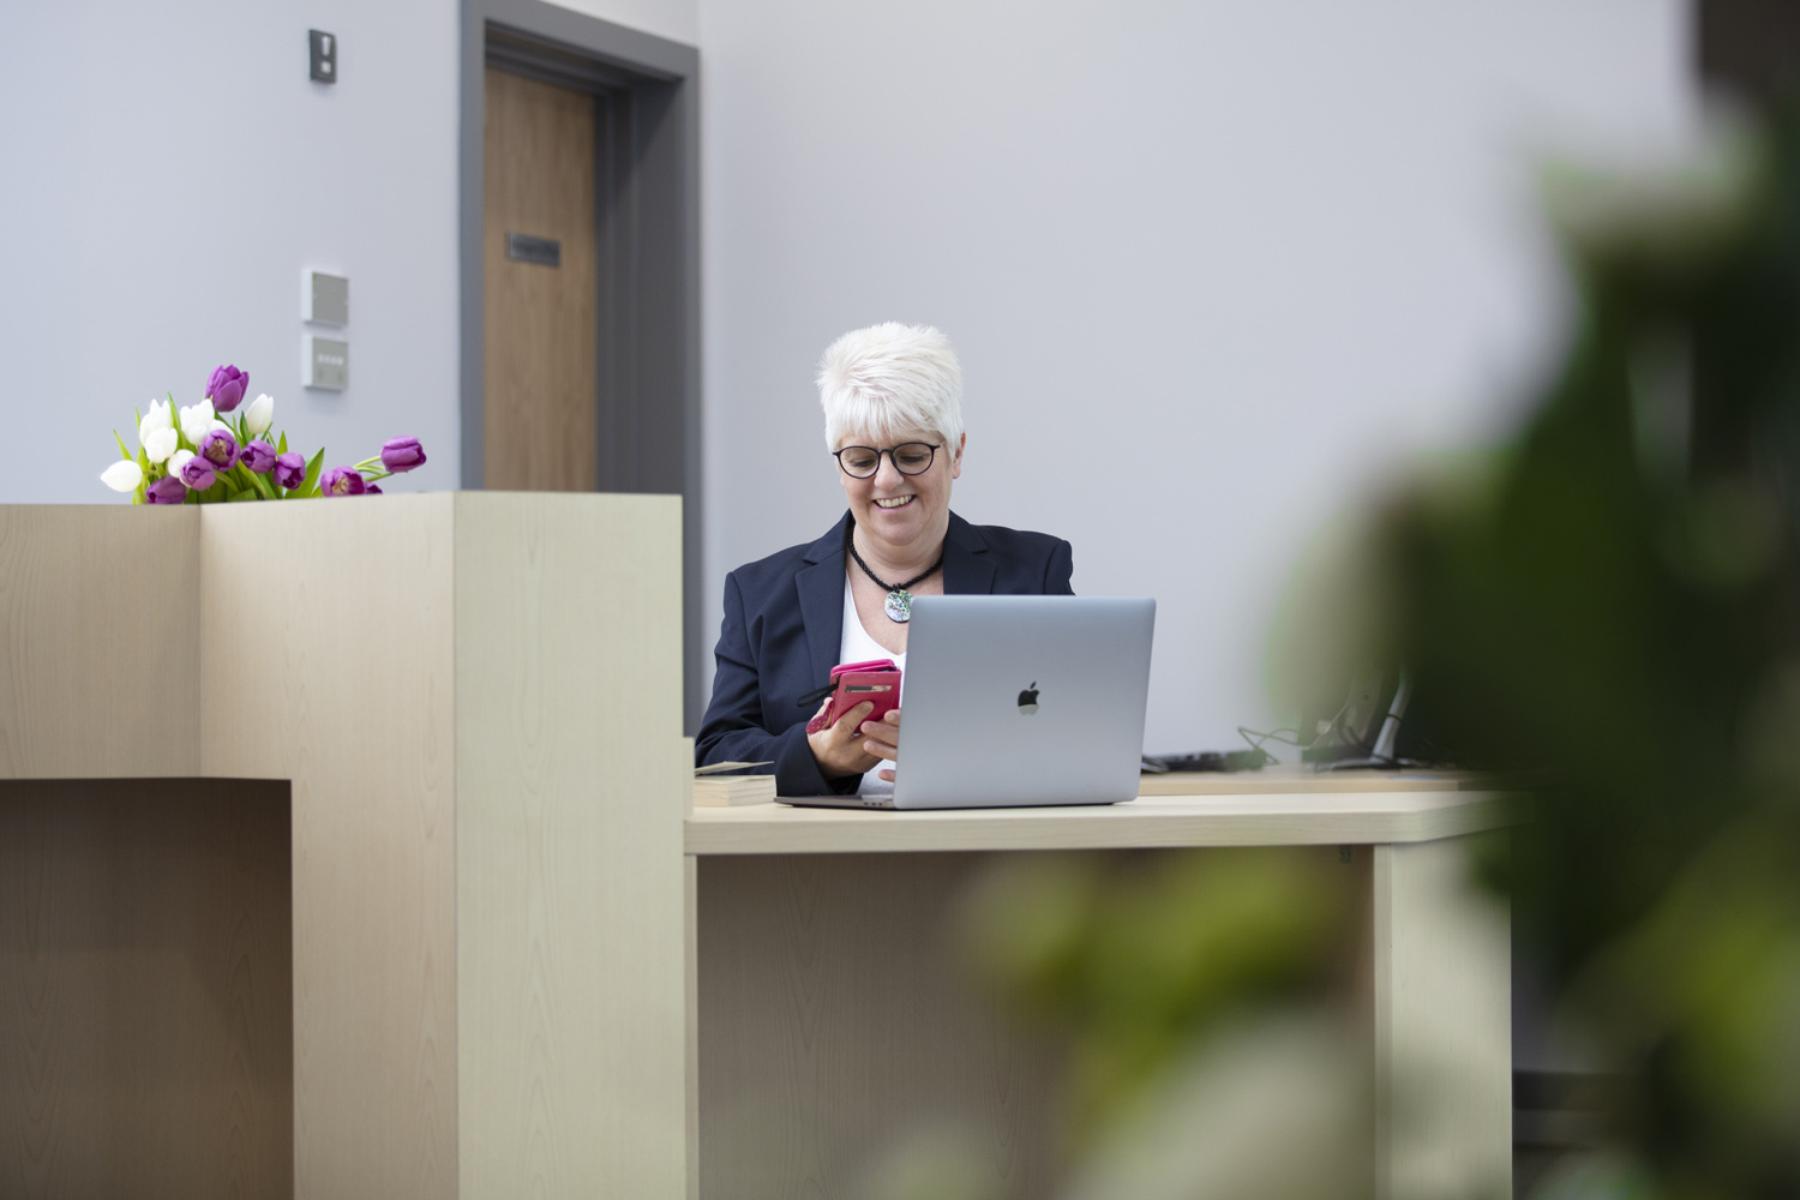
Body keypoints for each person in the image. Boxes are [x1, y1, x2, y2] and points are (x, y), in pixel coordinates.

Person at [696, 322, 1075, 797]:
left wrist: (965, 755)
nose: (887, 480)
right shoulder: (759, 593)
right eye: (861, 460)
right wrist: (816, 756)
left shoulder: (1035, 572)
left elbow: (1078, 733)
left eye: (912, 454)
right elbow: (716, 756)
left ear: (956, 452)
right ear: (839, 466)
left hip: (990, 860)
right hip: (812, 865)